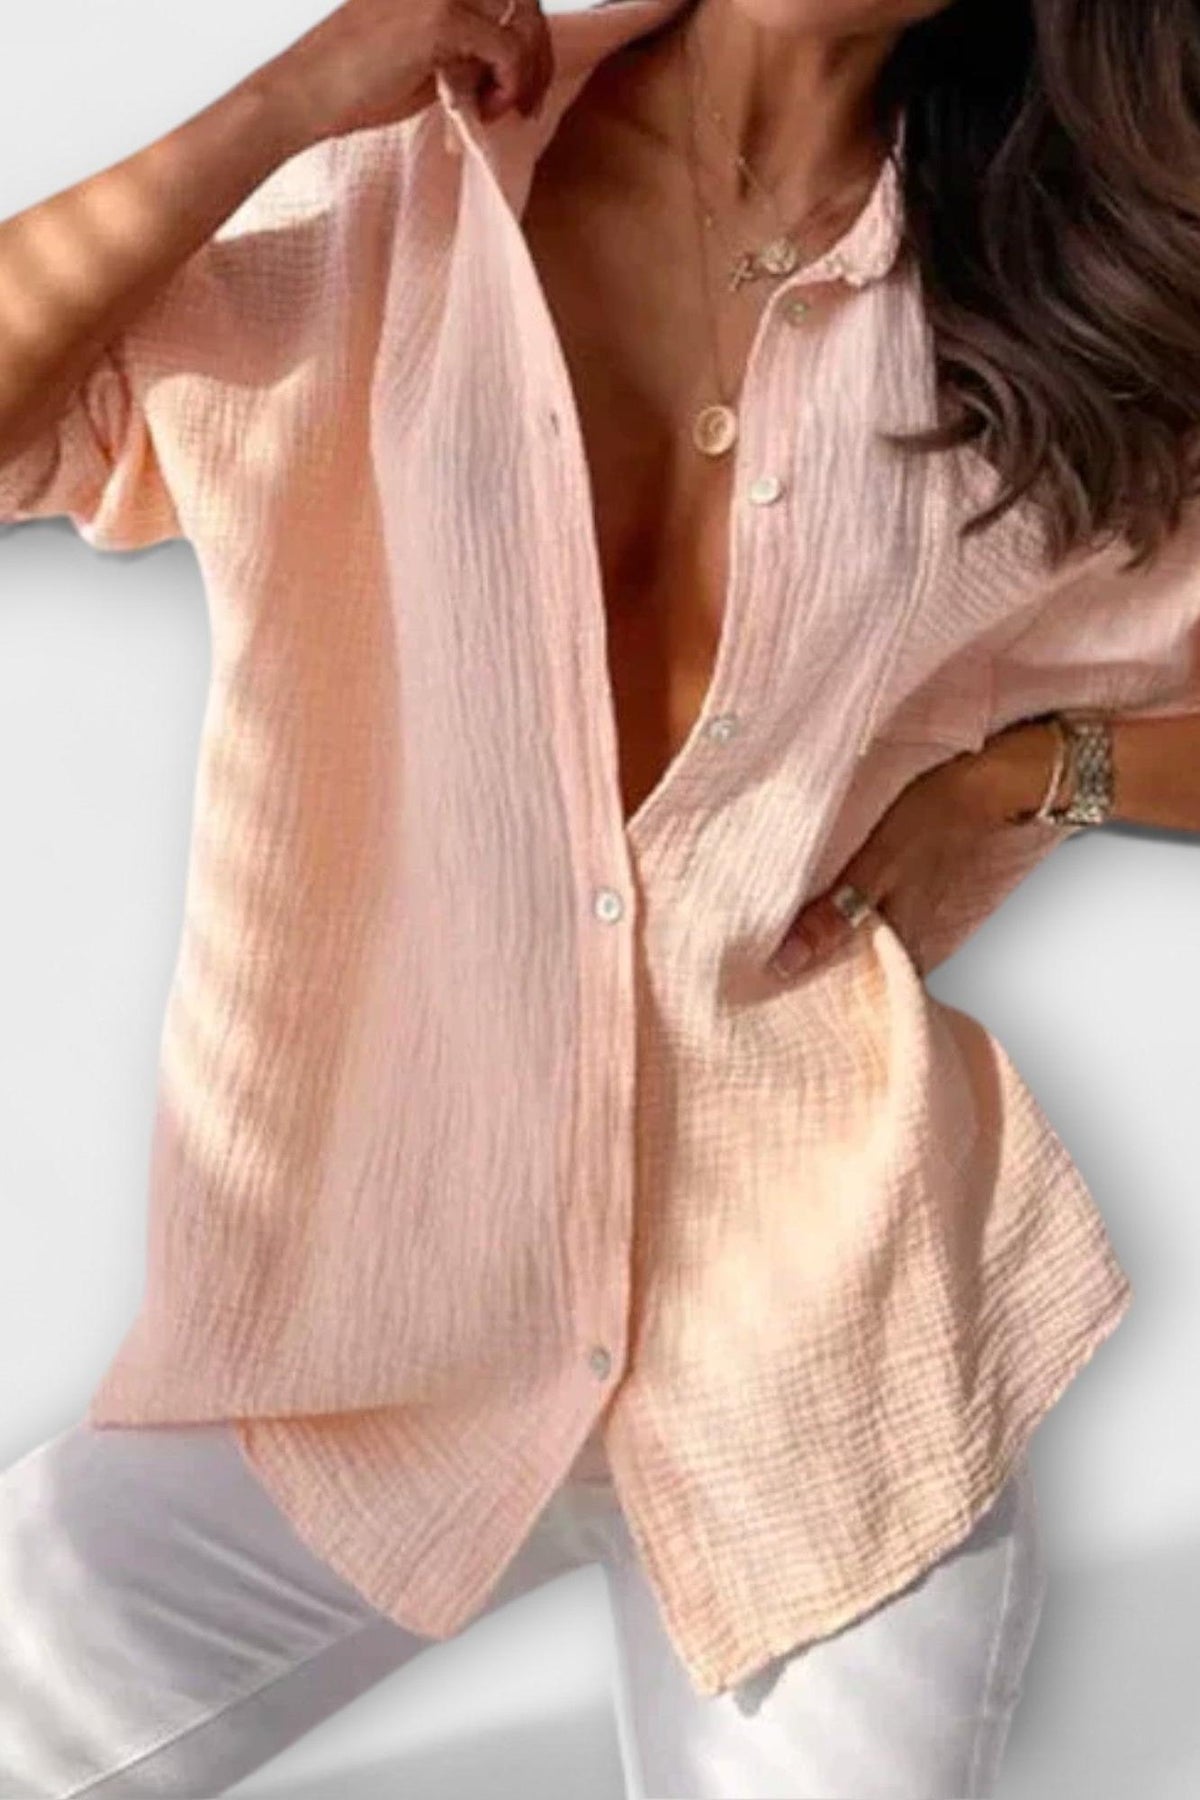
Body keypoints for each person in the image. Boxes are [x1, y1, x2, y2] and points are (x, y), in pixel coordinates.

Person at [2, 0, 1199, 1792]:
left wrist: (1040, 773)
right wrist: (288, 96)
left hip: (815, 1361)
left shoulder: (1049, 297)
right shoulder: (420, 177)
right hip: (368, 1332)